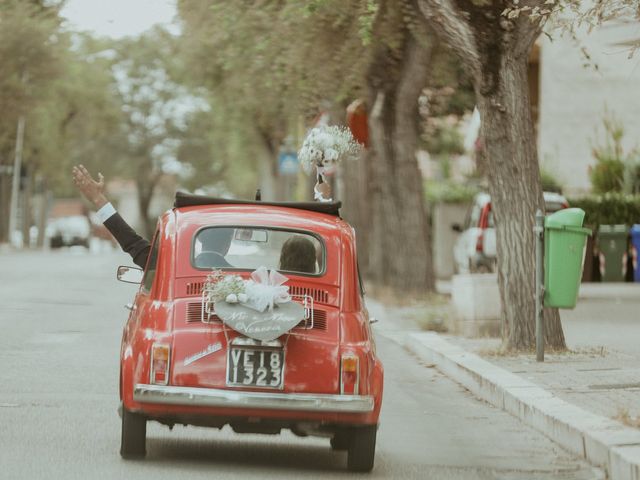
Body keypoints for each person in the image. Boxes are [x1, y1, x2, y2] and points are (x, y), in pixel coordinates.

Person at [71, 165, 233, 269]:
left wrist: (97, 198)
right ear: (228, 244)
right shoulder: (245, 281)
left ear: (200, 239)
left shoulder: (169, 268)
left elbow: (130, 241)